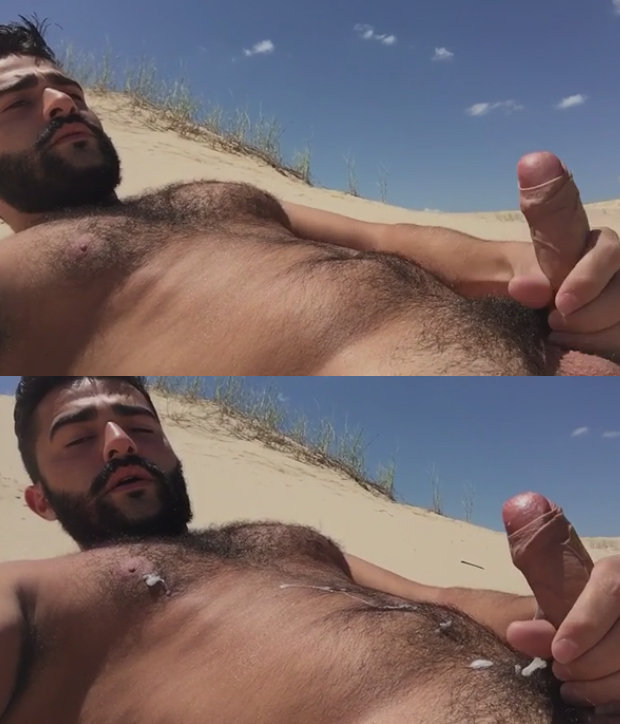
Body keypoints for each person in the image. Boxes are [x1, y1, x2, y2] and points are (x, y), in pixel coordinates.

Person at [0, 18, 619, 376]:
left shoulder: (207, 198)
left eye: (69, 91)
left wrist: (560, 270)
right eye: (16, 102)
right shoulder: (20, 274)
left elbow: (388, 239)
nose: (61, 102)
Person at [3, 375, 618, 722]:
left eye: (141, 427)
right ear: (41, 503)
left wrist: (580, 624)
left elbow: (443, 598)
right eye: (78, 437)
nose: (120, 442)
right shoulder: (35, 598)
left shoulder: (280, 542)